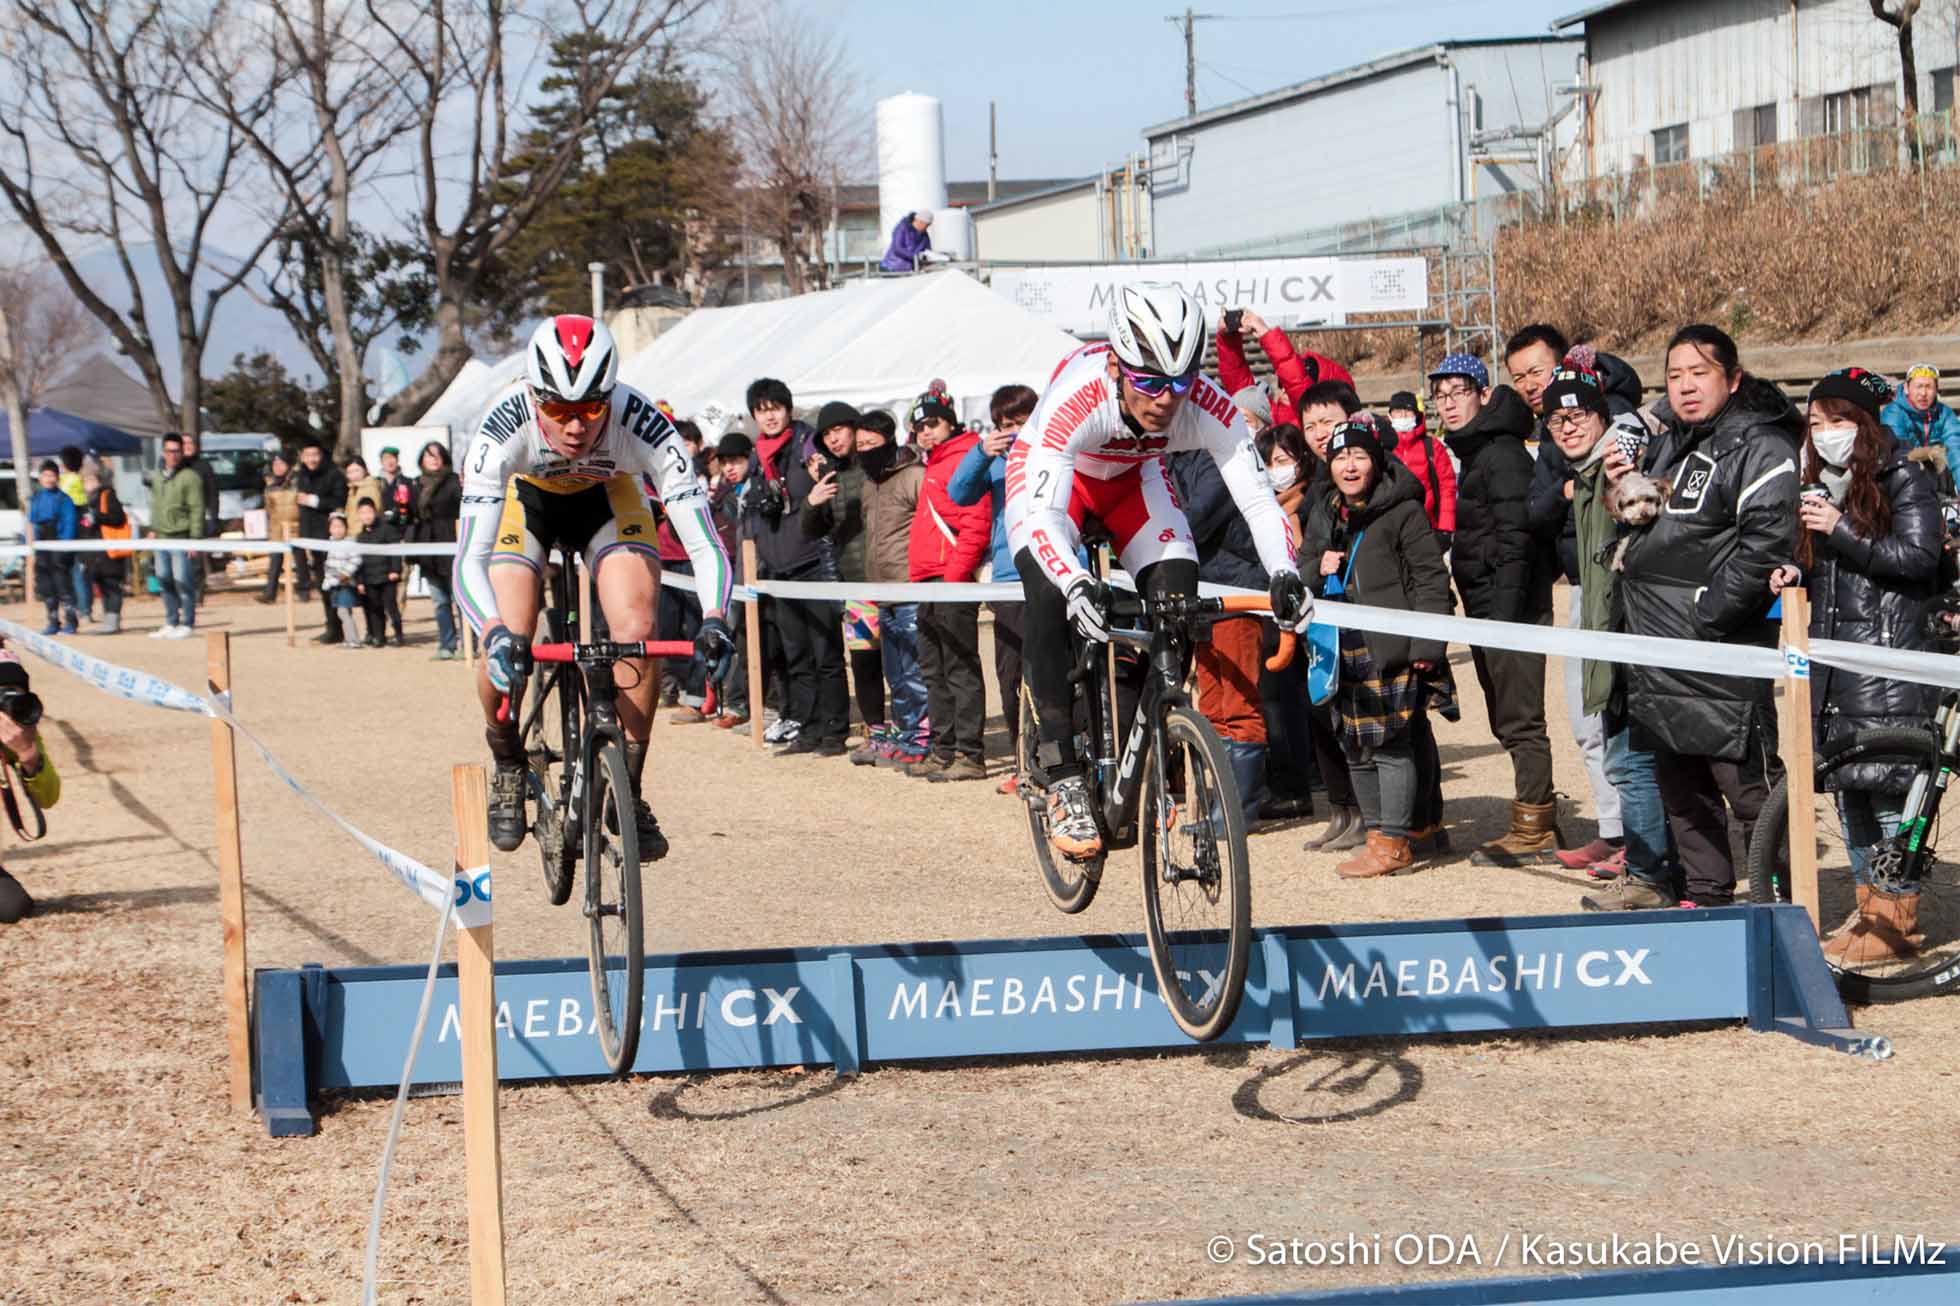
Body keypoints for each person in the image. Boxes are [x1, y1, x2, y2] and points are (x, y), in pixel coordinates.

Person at [1005, 282, 1313, 860]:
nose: (1167, 400)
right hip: (1058, 488)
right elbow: (1043, 516)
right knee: (1048, 588)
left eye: (1180, 384)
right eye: (1150, 382)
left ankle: (1161, 731)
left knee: (1179, 587)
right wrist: (1075, 583)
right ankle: (1062, 770)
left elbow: (1256, 499)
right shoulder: (1078, 397)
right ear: (1119, 365)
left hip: (1133, 484)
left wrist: (1284, 573)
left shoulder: (1205, 405)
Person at [456, 315, 735, 856]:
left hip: (607, 500)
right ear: (534, 397)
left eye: (590, 409)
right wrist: (492, 634)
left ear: (611, 396)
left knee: (637, 629)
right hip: (528, 503)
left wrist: (716, 619)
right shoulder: (501, 427)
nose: (576, 426)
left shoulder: (645, 424)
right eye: (558, 410)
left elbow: (705, 545)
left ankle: (627, 784)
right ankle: (508, 757)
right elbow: (470, 558)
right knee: (512, 630)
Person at [1606, 324, 1799, 909]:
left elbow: (1767, 542)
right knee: (1683, 794)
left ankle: (1786, 910)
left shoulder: (1762, 446)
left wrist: (1706, 615)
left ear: (1733, 379)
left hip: (1719, 656)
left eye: (1700, 373)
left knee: (1751, 795)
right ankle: (1708, 904)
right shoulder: (1670, 443)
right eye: (1674, 375)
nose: (1685, 386)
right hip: (1659, 656)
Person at [1768, 368, 1940, 958]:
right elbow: (1830, 568)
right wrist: (1798, 569)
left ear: (1864, 424)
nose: (1825, 433)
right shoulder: (1821, 485)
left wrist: (1839, 529)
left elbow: (1918, 559)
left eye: (1837, 420)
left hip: (1887, 665)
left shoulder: (1904, 479)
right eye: (1815, 424)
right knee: (1852, 791)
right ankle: (1869, 912)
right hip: (1837, 668)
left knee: (1890, 793)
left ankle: (1898, 920)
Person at [1534, 370, 1674, 902]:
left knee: (1635, 753)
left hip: (1635, 619)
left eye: (1579, 416)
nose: (1568, 428)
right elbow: (1535, 514)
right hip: (1590, 608)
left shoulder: (1634, 455)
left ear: (1603, 416)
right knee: (1600, 737)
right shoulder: (1567, 470)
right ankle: (1628, 849)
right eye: (1556, 420)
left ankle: (1650, 867)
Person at [1514, 329, 1647, 867]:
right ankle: (1612, 829)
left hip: (1625, 594)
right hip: (1578, 589)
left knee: (1626, 724)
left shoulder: (1619, 426)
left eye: (1537, 371)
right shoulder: (1552, 439)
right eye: (1518, 375)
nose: (1530, 384)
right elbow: (1536, 511)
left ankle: (1641, 842)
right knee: (1587, 720)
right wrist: (1568, 491)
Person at [1304, 420, 1455, 876]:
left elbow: (1430, 578)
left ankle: (1395, 841)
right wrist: (1317, 565)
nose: (1349, 467)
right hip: (1338, 645)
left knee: (1392, 745)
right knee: (1353, 743)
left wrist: (1427, 643)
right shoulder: (1325, 509)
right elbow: (1302, 567)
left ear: (1376, 461)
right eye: (1340, 458)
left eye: (1359, 457)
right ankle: (1378, 835)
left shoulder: (1404, 510)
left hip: (1390, 643)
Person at [1430, 351, 1560, 865]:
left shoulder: (1501, 451)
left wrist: (1504, 620)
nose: (1449, 404)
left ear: (1484, 394)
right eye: (1440, 396)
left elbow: (1517, 539)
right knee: (1507, 718)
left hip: (1511, 612)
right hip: (1488, 608)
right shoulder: (1478, 448)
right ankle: (1535, 817)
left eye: (1459, 392)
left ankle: (1536, 829)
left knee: (1521, 719)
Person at [1259, 422, 1351, 837]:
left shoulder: (1316, 499)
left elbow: (1312, 556)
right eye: (1267, 463)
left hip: (1320, 616)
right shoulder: (1262, 507)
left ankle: (1349, 805)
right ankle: (1335, 806)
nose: (1275, 470)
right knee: (1300, 707)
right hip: (1280, 615)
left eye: (1282, 460)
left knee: (1328, 710)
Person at [948, 384, 1040, 789]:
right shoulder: (997, 462)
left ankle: (1056, 764)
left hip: (1051, 575)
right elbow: (958, 493)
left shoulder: (1052, 452)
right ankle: (1024, 763)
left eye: (1023, 421)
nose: (1016, 430)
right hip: (1008, 580)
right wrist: (982, 452)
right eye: (1007, 424)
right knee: (1011, 674)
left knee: (1052, 676)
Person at [906, 393, 992, 782]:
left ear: (950, 422)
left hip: (948, 576)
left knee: (958, 665)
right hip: (928, 578)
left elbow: (976, 522)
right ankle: (943, 748)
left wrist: (957, 576)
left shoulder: (963, 457)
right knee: (932, 668)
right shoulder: (936, 462)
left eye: (933, 424)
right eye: (920, 427)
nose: (926, 432)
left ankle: (969, 753)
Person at [769, 400, 856, 757]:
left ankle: (835, 729)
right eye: (760, 410)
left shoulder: (807, 448)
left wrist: (815, 488)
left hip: (820, 566)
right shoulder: (768, 459)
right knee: (798, 657)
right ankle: (809, 726)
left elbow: (821, 527)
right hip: (782, 569)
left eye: (773, 408)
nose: (768, 416)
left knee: (827, 654)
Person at [800, 403, 885, 753]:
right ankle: (876, 731)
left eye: (839, 430)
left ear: (855, 427)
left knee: (901, 661)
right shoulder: (829, 478)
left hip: (892, 580)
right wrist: (812, 501)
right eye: (826, 435)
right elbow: (811, 531)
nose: (834, 439)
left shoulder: (880, 468)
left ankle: (913, 734)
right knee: (864, 661)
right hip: (856, 586)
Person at [854, 410, 929, 764]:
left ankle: (923, 734)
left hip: (909, 585)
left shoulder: (915, 476)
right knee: (894, 670)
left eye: (871, 444)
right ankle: (904, 730)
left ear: (889, 440)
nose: (865, 451)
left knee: (915, 667)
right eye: (860, 445)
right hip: (880, 590)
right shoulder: (869, 484)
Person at [0, 650, 61, 925]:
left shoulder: (19, 728)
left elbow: (47, 798)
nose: (7, 702)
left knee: (12, 907)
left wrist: (28, 756)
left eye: (13, 691)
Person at [1215, 308, 1354, 429]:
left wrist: (1266, 334)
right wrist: (1228, 340)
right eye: (1282, 383)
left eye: (1288, 385)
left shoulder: (1307, 423)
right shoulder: (1269, 413)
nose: (1284, 390)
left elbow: (1295, 380)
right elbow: (1241, 389)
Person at [148, 435, 204, 640]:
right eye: (169, 451)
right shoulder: (157, 477)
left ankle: (187, 622)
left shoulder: (190, 477)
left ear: (182, 452)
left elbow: (197, 509)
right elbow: (155, 505)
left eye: (176, 451)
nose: (173, 455)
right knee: (164, 580)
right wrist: (153, 528)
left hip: (182, 537)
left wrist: (195, 539)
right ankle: (171, 620)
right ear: (163, 452)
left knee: (183, 581)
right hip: (160, 537)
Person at [412, 441, 462, 659]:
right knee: (440, 601)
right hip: (428, 551)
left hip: (451, 544)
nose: (433, 459)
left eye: (437, 455)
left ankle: (470, 644)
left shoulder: (453, 482)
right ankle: (446, 644)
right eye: (429, 455)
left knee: (460, 600)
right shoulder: (417, 484)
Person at [1385, 391, 1456, 538]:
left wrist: (1445, 528)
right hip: (1390, 527)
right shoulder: (1383, 446)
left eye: (1408, 411)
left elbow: (1447, 487)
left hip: (1427, 526)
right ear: (1390, 416)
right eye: (1398, 412)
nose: (1403, 416)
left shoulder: (1432, 446)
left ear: (1416, 415)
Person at [292, 440, 344, 633]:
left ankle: (339, 626)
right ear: (302, 457)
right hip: (310, 536)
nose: (312, 459)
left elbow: (340, 500)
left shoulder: (334, 474)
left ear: (321, 456)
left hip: (330, 535)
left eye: (315, 455)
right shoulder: (301, 476)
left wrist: (314, 501)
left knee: (333, 582)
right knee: (322, 582)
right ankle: (332, 626)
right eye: (308, 455)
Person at [28, 461, 77, 635]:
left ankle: (71, 621)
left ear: (57, 478)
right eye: (45, 475)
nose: (49, 479)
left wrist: (64, 547)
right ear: (40, 478)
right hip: (42, 548)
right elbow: (31, 523)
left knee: (63, 586)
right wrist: (32, 545)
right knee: (47, 587)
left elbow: (70, 523)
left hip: (60, 546)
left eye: (52, 475)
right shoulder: (36, 498)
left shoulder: (64, 499)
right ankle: (53, 621)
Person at [79, 463, 129, 633]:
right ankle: (109, 621)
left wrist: (97, 517)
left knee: (112, 585)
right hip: (96, 552)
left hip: (110, 549)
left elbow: (119, 518)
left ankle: (113, 621)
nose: (88, 483)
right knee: (102, 586)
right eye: (85, 479)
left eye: (91, 479)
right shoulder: (88, 499)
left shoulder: (108, 495)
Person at [1881, 363, 1960, 469]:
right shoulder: (1893, 414)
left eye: (1929, 387)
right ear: (1906, 388)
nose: (1923, 393)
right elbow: (1899, 453)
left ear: (1936, 390)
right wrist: (1929, 453)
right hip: (1902, 473)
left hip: (1935, 473)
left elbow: (1955, 449)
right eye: (1918, 387)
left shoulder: (1945, 413)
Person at [351, 498, 400, 647]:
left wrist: (395, 570)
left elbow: (395, 551)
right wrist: (359, 581)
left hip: (387, 577)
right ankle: (379, 637)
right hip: (369, 578)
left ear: (375, 512)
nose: (366, 516)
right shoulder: (360, 537)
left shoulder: (387, 529)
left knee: (391, 607)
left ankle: (399, 634)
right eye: (363, 513)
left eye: (369, 512)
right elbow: (357, 561)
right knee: (374, 608)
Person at [179, 431, 219, 609]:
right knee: (179, 558)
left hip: (199, 517)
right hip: (178, 519)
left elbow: (213, 493)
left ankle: (197, 593)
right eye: (184, 443)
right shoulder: (175, 466)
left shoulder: (204, 466)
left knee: (195, 558)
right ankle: (182, 592)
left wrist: (213, 516)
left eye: (190, 443)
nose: (187, 446)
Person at [256, 451, 301, 605]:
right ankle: (270, 593)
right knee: (275, 562)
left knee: (300, 560)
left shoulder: (298, 482)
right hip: (276, 527)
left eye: (281, 463)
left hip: (295, 526)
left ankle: (304, 591)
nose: (278, 467)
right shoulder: (270, 487)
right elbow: (269, 508)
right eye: (275, 464)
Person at [57, 446, 91, 624]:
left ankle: (82, 610)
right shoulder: (78, 479)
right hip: (81, 528)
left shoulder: (67, 481)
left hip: (71, 529)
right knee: (82, 571)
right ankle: (86, 610)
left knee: (75, 571)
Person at [321, 511, 363, 648]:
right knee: (342, 612)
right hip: (334, 584)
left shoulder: (350, 543)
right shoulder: (329, 544)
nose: (337, 530)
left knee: (344, 611)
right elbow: (328, 563)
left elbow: (356, 559)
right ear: (329, 529)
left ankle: (354, 640)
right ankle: (350, 639)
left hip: (345, 583)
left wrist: (345, 574)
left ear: (346, 528)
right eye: (334, 527)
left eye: (340, 526)